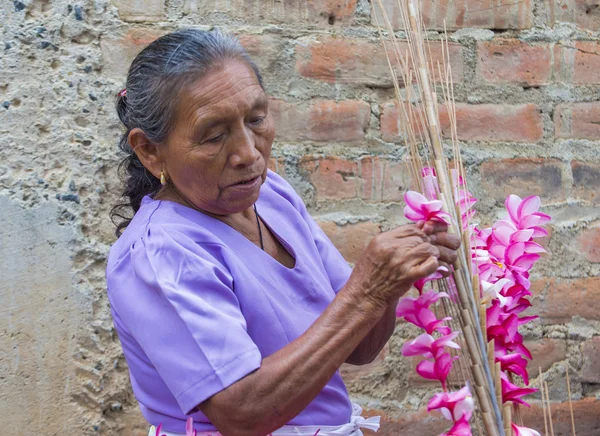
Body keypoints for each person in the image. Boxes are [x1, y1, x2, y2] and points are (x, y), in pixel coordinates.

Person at [106, 29, 460, 436]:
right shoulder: (162, 251)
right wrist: (368, 291)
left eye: (256, 119)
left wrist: (393, 280)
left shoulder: (271, 196)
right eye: (215, 136)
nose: (249, 152)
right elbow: (242, 412)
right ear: (150, 150)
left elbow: (361, 346)